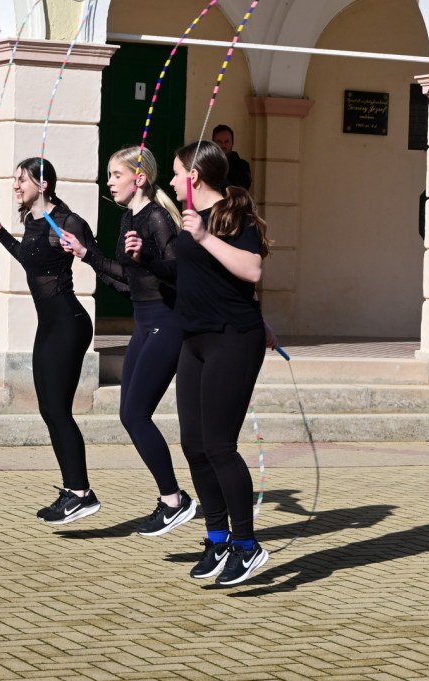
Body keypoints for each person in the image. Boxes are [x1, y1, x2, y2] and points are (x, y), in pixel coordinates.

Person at [58, 146, 198, 536]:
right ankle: (174, 499)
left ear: (139, 178)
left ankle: (175, 501)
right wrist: (86, 253)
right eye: (109, 175)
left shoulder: (156, 217)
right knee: (129, 415)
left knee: (136, 415)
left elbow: (177, 271)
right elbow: (126, 278)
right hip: (143, 324)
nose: (109, 182)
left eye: (115, 175)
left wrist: (142, 259)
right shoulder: (129, 218)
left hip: (166, 324)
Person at [169, 140, 274, 586]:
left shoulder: (231, 218)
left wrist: (204, 237)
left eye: (177, 173)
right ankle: (217, 539)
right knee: (193, 444)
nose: (172, 181)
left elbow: (252, 271)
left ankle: (247, 546)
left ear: (194, 177)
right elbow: (199, 275)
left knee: (219, 447)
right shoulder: (190, 219)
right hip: (194, 339)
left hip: (232, 339)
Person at [0, 158, 99, 525]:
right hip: (48, 325)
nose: (16, 186)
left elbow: (98, 260)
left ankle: (82, 494)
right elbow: (28, 258)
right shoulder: (34, 222)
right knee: (49, 410)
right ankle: (74, 491)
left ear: (43, 184)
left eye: (22, 180)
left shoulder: (67, 222)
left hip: (69, 324)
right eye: (15, 180)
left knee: (59, 411)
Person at [211, 124, 251, 191]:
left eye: (226, 142)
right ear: (213, 143)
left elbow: (242, 190)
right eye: (219, 142)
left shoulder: (242, 166)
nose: (223, 146)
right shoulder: (207, 164)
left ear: (232, 143)